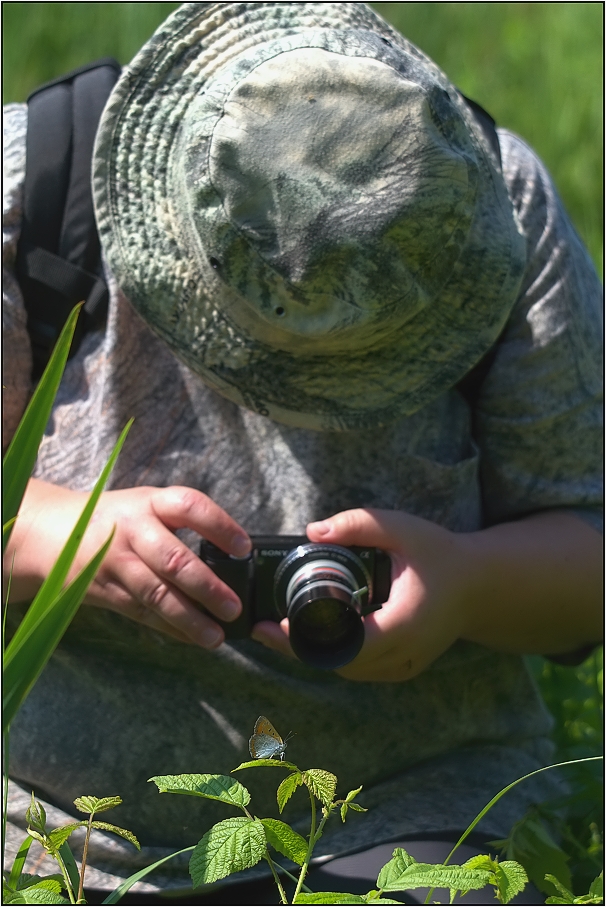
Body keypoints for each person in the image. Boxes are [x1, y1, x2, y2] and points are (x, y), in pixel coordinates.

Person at [3, 3, 602, 904]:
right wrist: (54, 539)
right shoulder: (39, 188)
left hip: (415, 813)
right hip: (46, 824)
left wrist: (470, 584)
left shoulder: (499, 212)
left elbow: (588, 554)